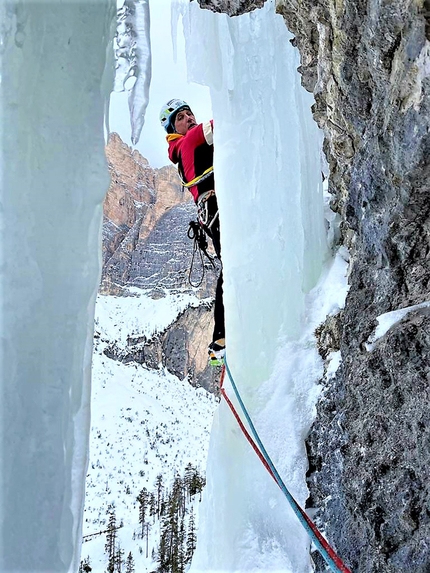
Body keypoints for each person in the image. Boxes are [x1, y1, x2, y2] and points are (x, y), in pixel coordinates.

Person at [159, 98, 225, 365]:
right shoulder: (189, 141)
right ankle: (220, 338)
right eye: (181, 117)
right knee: (231, 268)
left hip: (213, 210)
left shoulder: (185, 149)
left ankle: (221, 338)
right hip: (217, 207)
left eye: (190, 113)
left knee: (230, 266)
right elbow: (227, 123)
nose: (189, 118)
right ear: (173, 129)